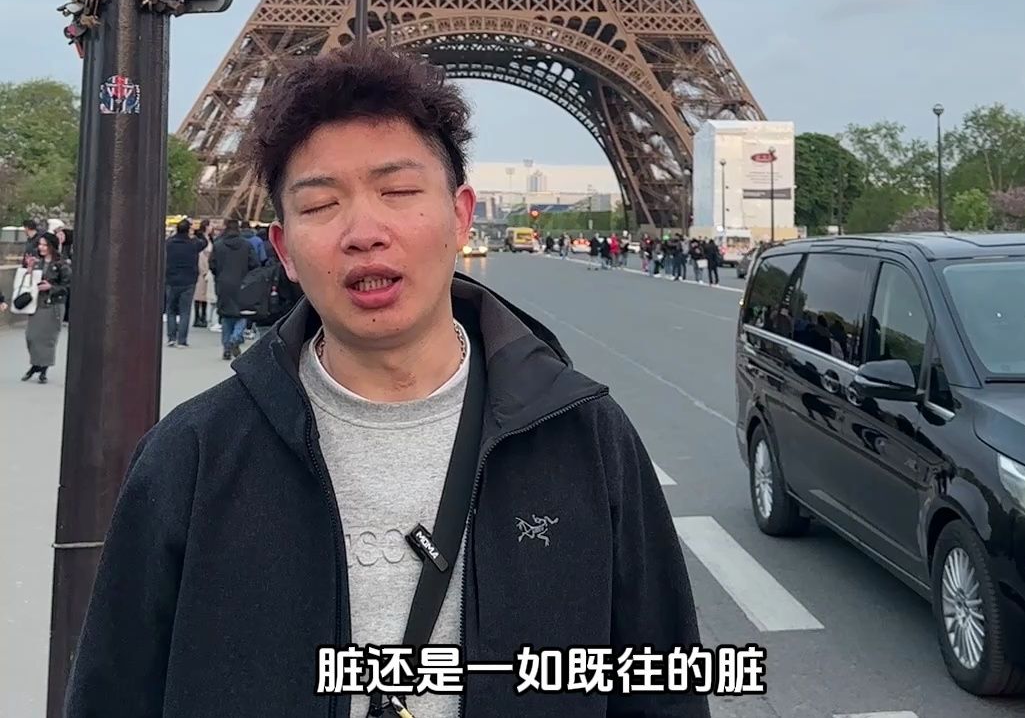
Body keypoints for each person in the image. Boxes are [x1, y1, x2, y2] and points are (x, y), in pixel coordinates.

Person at [65, 45, 706, 718]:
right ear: (284, 250)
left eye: (398, 192)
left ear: (461, 215)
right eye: (320, 204)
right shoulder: (189, 457)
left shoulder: (588, 440)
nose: (364, 231)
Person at [22, 232, 71, 384]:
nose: (41, 247)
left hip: (53, 304)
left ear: (51, 246)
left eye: (44, 245)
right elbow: (28, 282)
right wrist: (29, 269)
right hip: (37, 303)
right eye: (40, 244)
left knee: (48, 338)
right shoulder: (37, 262)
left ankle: (43, 368)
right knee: (31, 336)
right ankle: (36, 363)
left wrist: (51, 287)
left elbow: (68, 286)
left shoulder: (62, 264)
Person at [209, 218, 259, 359]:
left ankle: (226, 346)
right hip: (242, 283)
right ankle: (235, 338)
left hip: (223, 283)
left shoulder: (218, 245)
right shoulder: (246, 245)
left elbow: (212, 265)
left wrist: (219, 275)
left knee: (226, 316)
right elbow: (254, 264)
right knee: (242, 314)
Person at [164, 218, 207, 347]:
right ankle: (182, 340)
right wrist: (199, 232)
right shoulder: (193, 244)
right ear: (188, 230)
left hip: (171, 279)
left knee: (171, 310)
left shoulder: (169, 243)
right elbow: (204, 242)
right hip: (188, 280)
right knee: (185, 311)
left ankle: (171, 337)